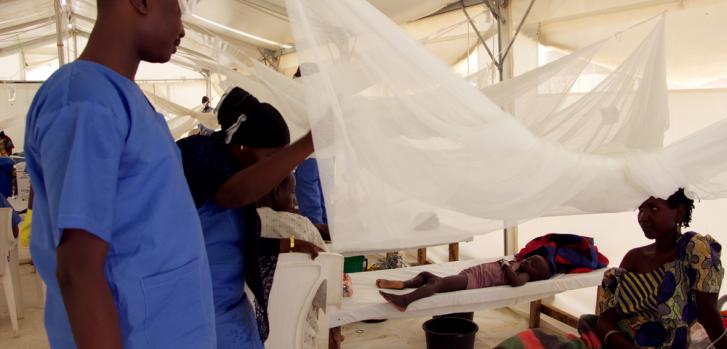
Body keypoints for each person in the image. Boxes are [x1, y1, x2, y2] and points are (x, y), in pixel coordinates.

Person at [24, 1, 216, 348]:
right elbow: (78, 271)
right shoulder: (85, 100)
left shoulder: (120, 95)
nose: (183, 29)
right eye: (176, 10)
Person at [177, 87, 323, 348]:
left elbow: (238, 244)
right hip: (191, 308)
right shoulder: (200, 155)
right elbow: (232, 194)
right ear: (242, 147)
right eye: (270, 158)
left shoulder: (237, 171)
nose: (275, 171)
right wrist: (310, 142)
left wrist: (290, 244)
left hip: (229, 308)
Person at [495, 188, 727, 349]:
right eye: (641, 209)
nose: (643, 217)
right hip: (612, 342)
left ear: (678, 213)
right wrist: (619, 342)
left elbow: (709, 315)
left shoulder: (695, 250)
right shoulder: (634, 258)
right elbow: (606, 319)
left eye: (653, 209)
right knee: (526, 341)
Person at [377, 255, 551, 311]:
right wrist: (511, 262)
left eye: (534, 265)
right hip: (469, 275)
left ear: (536, 276)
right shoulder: (518, 264)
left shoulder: (523, 276)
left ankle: (405, 300)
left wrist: (506, 265)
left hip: (473, 281)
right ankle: (403, 284)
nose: (529, 262)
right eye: (530, 259)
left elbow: (516, 283)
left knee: (436, 283)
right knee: (425, 275)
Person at [257, 174, 329, 250]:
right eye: (293, 192)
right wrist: (292, 243)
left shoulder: (246, 223)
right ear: (277, 192)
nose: (295, 200)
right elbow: (324, 255)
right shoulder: (303, 224)